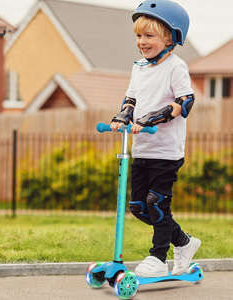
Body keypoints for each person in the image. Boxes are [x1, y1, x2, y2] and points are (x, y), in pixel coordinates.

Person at [110, 0, 201, 278]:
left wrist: (151, 119)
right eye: (139, 35)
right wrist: (123, 117)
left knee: (157, 202)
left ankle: (158, 257)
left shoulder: (176, 66)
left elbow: (185, 101)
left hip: (166, 151)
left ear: (170, 37)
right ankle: (184, 243)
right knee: (139, 206)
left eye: (149, 35)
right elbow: (131, 98)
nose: (142, 41)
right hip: (142, 148)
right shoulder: (139, 66)